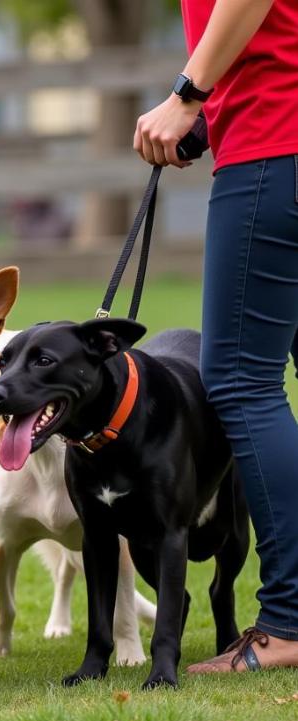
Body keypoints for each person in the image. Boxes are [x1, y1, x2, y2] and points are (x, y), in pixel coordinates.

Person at [133, 0, 298, 672]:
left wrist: (189, 93)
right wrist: (210, 106)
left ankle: (288, 622)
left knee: (239, 380)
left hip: (274, 142)